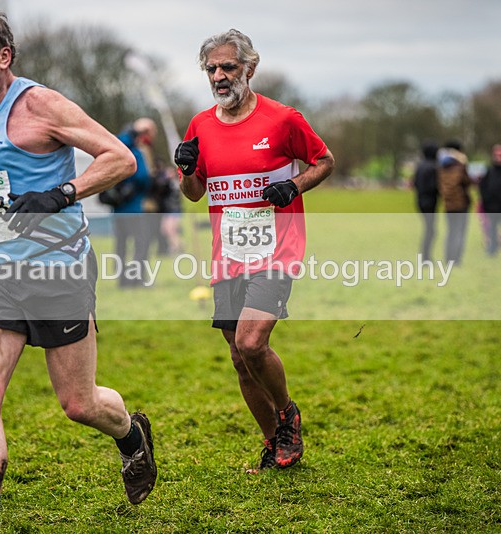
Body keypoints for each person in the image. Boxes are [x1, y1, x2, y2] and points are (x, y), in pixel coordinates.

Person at [0, 7, 156, 532]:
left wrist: (59, 194)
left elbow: (120, 158)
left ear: (3, 56)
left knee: (79, 403)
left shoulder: (41, 105)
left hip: (58, 272)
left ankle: (131, 436)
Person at [174, 29, 334, 474]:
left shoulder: (283, 119)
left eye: (228, 66)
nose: (220, 76)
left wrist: (292, 185)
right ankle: (273, 443)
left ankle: (287, 415)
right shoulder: (200, 126)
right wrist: (186, 169)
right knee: (239, 358)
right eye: (212, 69)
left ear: (250, 67)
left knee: (251, 341)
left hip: (277, 251)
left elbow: (324, 161)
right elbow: (193, 193)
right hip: (228, 255)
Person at [112, 118, 156, 287]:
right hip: (135, 206)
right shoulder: (135, 152)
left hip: (118, 207)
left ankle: (122, 280)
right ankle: (136, 279)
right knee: (141, 243)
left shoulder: (115, 148)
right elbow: (143, 177)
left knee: (121, 245)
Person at [437, 140, 472, 265]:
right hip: (461, 204)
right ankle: (456, 260)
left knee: (450, 232)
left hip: (448, 205)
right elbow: (467, 182)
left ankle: (448, 258)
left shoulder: (441, 167)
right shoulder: (460, 167)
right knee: (459, 233)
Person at [412, 141, 439, 261]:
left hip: (420, 201)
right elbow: (434, 186)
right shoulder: (432, 167)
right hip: (429, 202)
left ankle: (425, 256)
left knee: (429, 230)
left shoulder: (420, 166)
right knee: (430, 231)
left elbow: (415, 183)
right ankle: (425, 257)